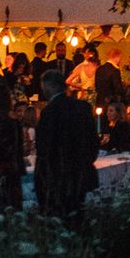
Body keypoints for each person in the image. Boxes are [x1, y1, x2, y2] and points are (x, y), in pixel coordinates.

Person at [35, 70, 99, 221]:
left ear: (48, 87)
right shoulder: (83, 107)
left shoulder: (49, 112)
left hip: (60, 175)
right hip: (83, 170)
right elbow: (92, 140)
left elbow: (44, 147)